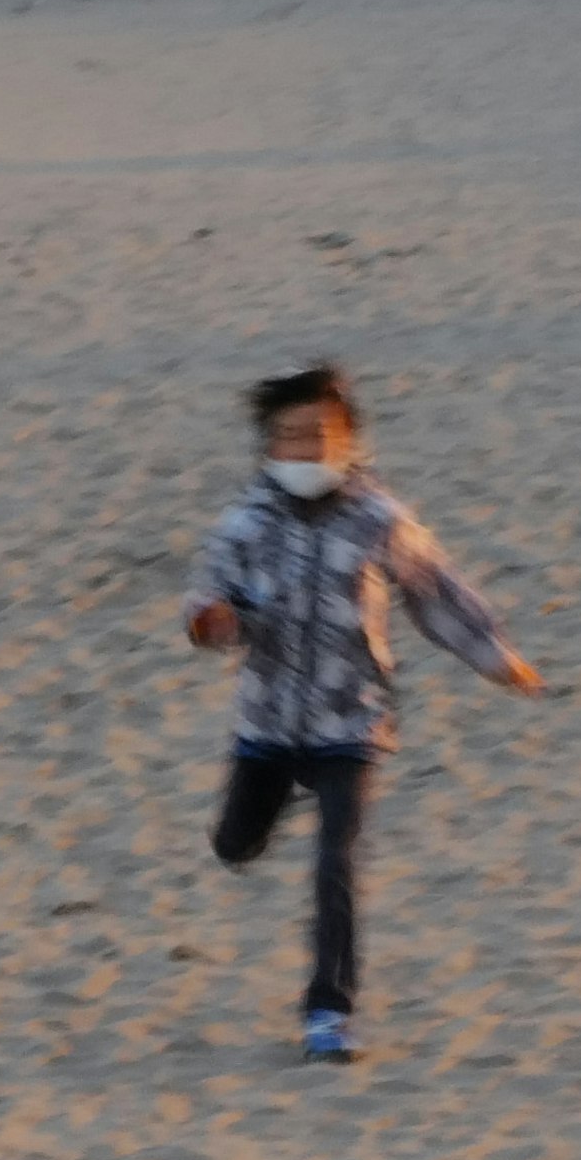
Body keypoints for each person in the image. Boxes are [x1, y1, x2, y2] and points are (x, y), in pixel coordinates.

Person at [183, 365, 540, 1062]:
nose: (305, 449)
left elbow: (436, 593)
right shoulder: (245, 523)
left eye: (319, 435)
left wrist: (495, 654)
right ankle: (276, 801)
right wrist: (212, 621)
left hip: (351, 722)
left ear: (348, 438)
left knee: (336, 862)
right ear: (267, 447)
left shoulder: (381, 519)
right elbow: (206, 597)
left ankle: (328, 1017)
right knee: (235, 845)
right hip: (267, 723)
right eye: (289, 437)